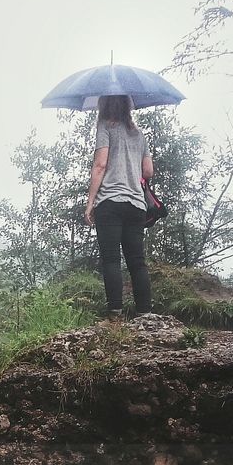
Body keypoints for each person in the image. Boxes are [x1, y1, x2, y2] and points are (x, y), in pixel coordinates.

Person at [83, 94, 154, 319]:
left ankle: (115, 313)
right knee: (137, 261)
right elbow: (148, 171)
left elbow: (100, 164)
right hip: (135, 204)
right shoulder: (138, 133)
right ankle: (144, 313)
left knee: (112, 259)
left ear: (104, 105)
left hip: (110, 202)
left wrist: (90, 202)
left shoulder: (105, 127)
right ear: (127, 105)